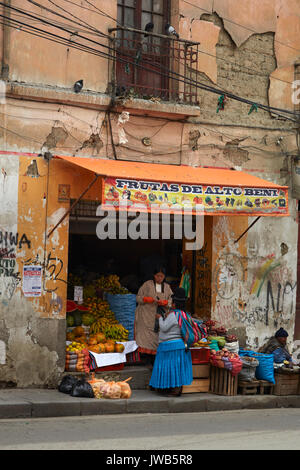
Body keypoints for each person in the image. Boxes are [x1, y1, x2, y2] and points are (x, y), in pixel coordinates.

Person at [149, 287, 193, 397]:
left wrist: (159, 318)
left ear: (174, 304)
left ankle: (174, 391)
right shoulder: (184, 314)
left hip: (169, 346)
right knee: (176, 369)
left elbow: (164, 327)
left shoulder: (174, 315)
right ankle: (175, 389)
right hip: (179, 345)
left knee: (169, 369)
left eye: (172, 302)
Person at [134, 266, 173, 365]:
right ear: (154, 276)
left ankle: (156, 360)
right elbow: (138, 298)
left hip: (160, 317)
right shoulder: (147, 285)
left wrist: (166, 302)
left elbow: (172, 301)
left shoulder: (167, 287)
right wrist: (145, 299)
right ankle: (146, 360)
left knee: (158, 338)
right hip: (146, 317)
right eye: (157, 276)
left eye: (161, 276)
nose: (159, 278)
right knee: (146, 338)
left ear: (164, 276)